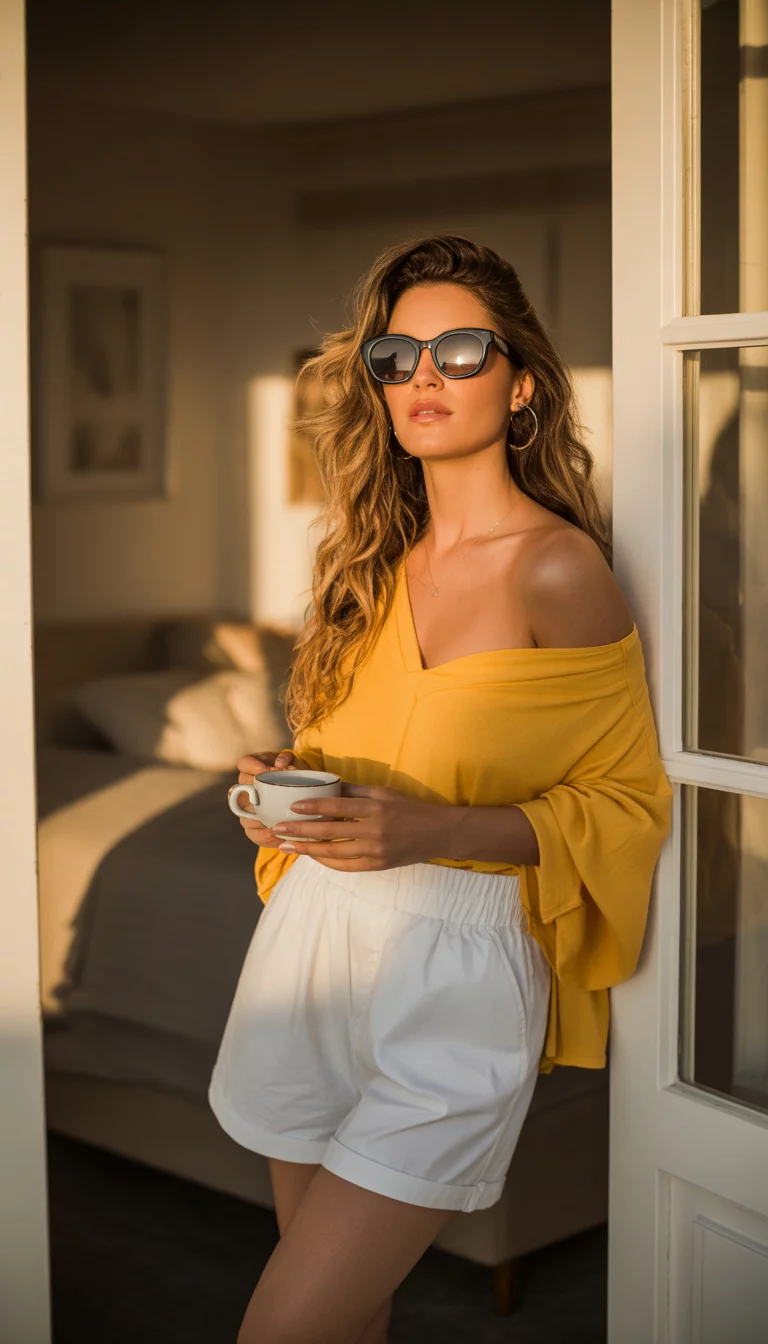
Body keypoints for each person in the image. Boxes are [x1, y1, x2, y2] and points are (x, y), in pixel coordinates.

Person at [209, 233, 673, 1344]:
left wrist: (436, 827)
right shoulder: (360, 560)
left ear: (519, 383)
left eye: (459, 351)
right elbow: (359, 747)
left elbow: (627, 803)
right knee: (344, 1324)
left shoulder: (556, 569)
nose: (423, 377)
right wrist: (291, 780)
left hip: (456, 979)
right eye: (396, 355)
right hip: (308, 946)